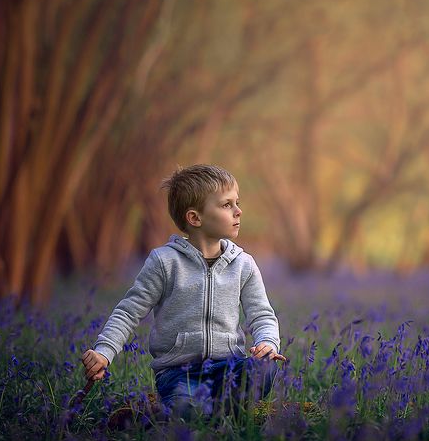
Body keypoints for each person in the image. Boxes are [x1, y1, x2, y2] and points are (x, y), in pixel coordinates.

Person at [80, 164, 286, 422]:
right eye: (226, 205)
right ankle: (193, 413)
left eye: (237, 202)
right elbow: (128, 312)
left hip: (228, 368)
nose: (238, 211)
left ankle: (214, 410)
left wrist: (268, 343)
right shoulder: (164, 262)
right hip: (179, 372)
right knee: (186, 410)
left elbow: (262, 315)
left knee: (264, 371)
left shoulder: (243, 264)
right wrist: (104, 351)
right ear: (195, 218)